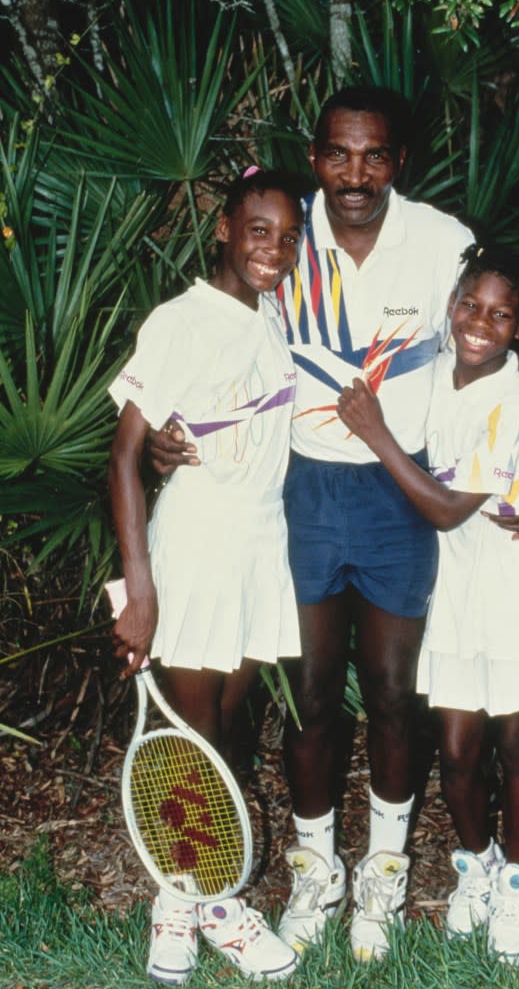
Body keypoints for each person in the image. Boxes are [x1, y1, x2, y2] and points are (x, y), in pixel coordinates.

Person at [147, 87, 519, 964]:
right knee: (309, 698)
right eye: (338, 153)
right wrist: (161, 440)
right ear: (316, 154)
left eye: (373, 155)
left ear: (397, 160)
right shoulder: (284, 231)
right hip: (301, 493)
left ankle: (382, 874)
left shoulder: (443, 242)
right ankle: (314, 873)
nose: (355, 174)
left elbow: (492, 367)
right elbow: (218, 347)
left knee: (394, 696)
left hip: (399, 498)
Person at [336, 245, 519, 965]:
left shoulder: (515, 399)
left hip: (508, 587)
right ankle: (476, 864)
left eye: (499, 314)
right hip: (449, 587)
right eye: (470, 305)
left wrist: (372, 432)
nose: (480, 323)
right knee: (457, 748)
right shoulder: (431, 370)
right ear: (451, 305)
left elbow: (444, 509)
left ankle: (518, 886)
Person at [107, 170, 305, 986]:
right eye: (259, 231)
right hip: (191, 548)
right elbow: (124, 458)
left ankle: (183, 899)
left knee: (224, 728)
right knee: (195, 747)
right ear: (224, 229)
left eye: (289, 237)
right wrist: (140, 590)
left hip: (261, 549)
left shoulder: (275, 316)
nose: (274, 249)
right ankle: (197, 905)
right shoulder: (179, 320)